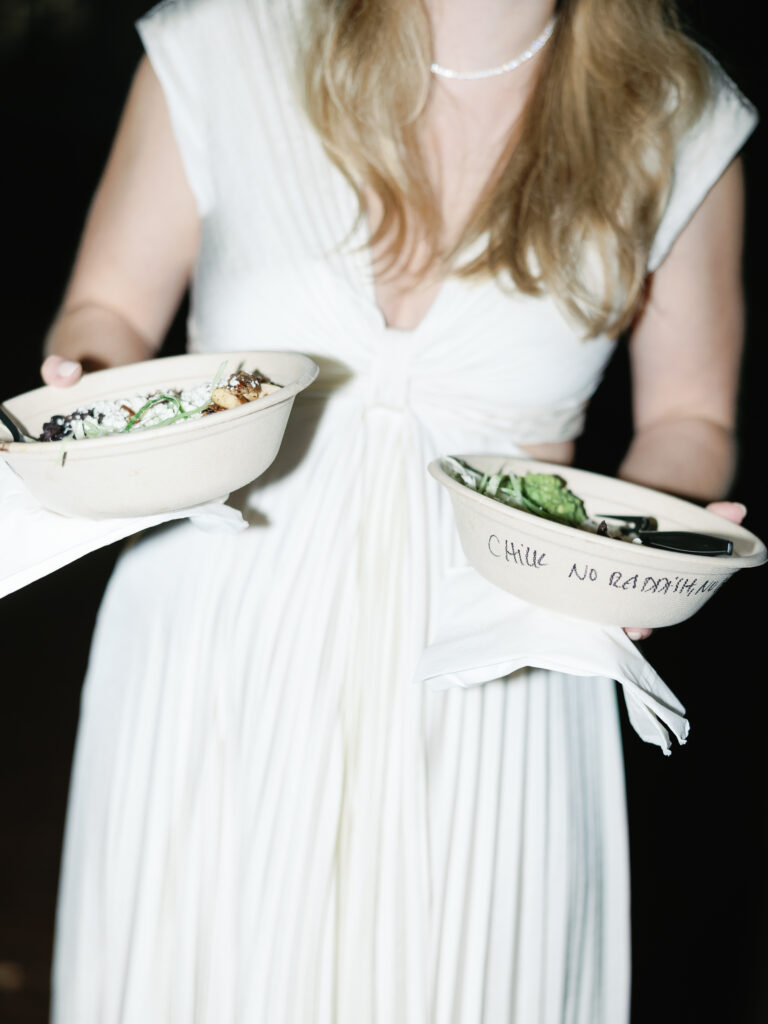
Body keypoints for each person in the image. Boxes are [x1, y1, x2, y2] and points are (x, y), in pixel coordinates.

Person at [43, 0, 755, 1020]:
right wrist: (97, 385)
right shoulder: (223, 41)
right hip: (222, 643)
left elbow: (690, 412)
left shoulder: (681, 115)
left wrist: (639, 535)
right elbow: (107, 306)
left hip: (497, 662)